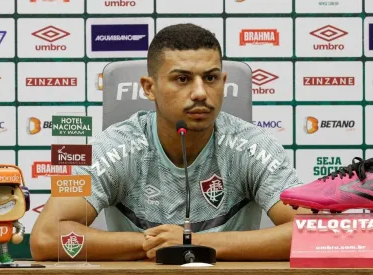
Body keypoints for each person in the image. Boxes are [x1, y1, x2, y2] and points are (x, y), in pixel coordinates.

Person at [30, 23, 309, 261]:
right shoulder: (111, 147)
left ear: (223, 81)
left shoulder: (253, 145)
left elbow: (311, 232)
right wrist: (155, 245)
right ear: (149, 88)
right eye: (182, 79)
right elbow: (45, 236)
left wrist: (195, 243)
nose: (200, 93)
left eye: (210, 78)